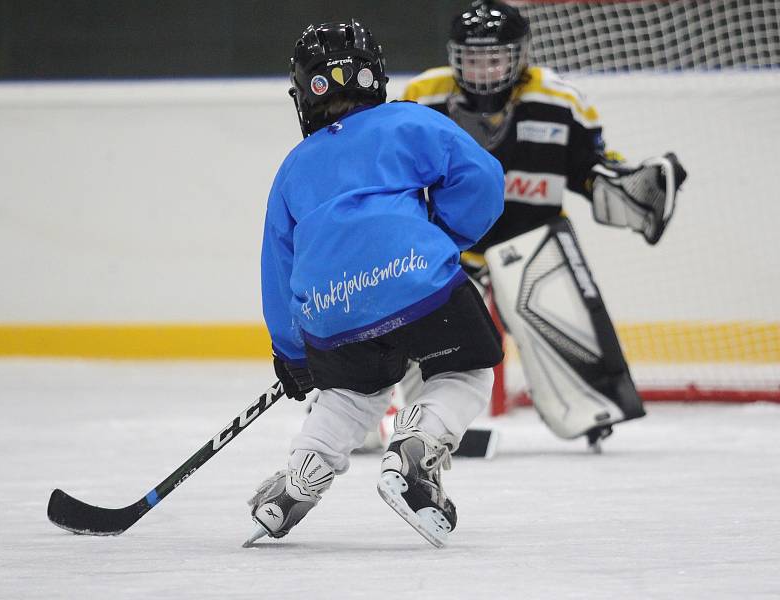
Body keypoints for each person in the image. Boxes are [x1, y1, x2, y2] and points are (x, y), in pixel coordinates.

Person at [245, 19, 505, 549]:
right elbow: (482, 178)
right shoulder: (407, 122)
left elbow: (278, 266)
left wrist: (292, 354)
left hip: (329, 309)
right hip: (414, 281)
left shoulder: (293, 167)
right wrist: (446, 231)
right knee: (467, 371)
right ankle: (415, 446)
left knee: (350, 394)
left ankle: (298, 480)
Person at [397, 0, 688, 450]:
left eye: (494, 57)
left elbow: (589, 167)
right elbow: (397, 176)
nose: (484, 69)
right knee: (420, 338)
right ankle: (412, 422)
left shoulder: (558, 98)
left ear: (520, 56)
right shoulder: (422, 95)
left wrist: (627, 185)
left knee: (588, 381)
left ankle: (591, 406)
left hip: (532, 240)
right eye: (472, 58)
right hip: (449, 246)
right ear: (454, 57)